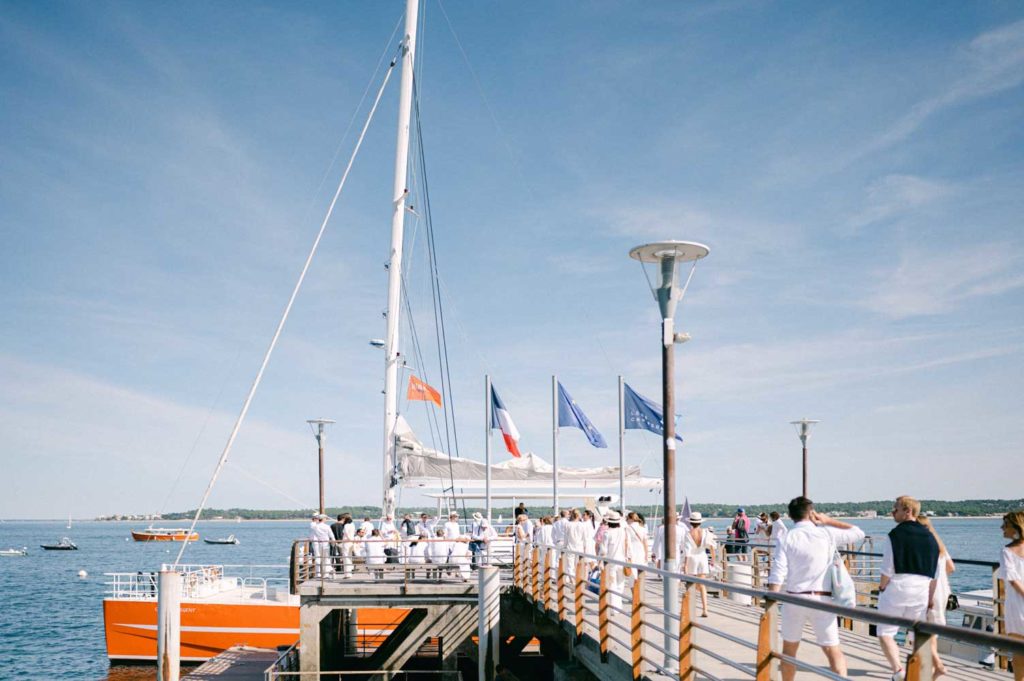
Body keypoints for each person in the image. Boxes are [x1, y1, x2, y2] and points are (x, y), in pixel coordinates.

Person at [768, 496, 865, 681]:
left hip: (794, 599)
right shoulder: (827, 533)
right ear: (812, 513)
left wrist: (771, 600)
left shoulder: (787, 537)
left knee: (789, 651)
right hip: (822, 599)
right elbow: (858, 532)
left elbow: (778, 573)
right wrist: (827, 521)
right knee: (832, 650)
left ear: (790, 515)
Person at [876, 496, 940, 681]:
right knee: (917, 633)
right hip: (921, 589)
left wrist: (882, 587)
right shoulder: (931, 537)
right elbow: (934, 574)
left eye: (895, 509)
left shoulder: (894, 535)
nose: (892, 512)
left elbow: (887, 569)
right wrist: (930, 598)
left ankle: (898, 671)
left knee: (885, 632)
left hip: (897, 587)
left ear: (907, 511)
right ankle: (921, 673)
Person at [917, 515, 955, 678]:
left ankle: (937, 664)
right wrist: (942, 580)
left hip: (929, 591)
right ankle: (929, 665)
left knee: (923, 630)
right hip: (942, 590)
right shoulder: (939, 545)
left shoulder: (924, 545)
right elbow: (951, 567)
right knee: (932, 630)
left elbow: (929, 573)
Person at [1000, 510, 1024, 681]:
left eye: (1005, 525)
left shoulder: (1007, 552)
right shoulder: (1007, 551)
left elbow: (1013, 579)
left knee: (1018, 650)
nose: (1002, 528)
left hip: (1017, 604)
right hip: (1017, 604)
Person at [681, 512, 716, 617]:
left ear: (691, 522)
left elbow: (687, 551)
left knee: (690, 585)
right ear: (700, 522)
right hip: (702, 557)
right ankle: (705, 609)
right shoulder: (705, 532)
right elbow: (711, 546)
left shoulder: (688, 534)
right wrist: (713, 559)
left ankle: (689, 608)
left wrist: (685, 565)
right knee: (702, 585)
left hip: (692, 558)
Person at [599, 510, 630, 610]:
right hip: (622, 561)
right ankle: (618, 605)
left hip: (610, 562)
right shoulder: (623, 532)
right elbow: (628, 546)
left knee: (612, 584)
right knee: (620, 584)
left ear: (609, 522)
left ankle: (614, 607)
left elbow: (603, 550)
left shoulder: (607, 533)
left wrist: (600, 561)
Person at [564, 509, 588, 582]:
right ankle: (579, 581)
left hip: (570, 547)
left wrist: (564, 546)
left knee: (570, 566)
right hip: (579, 547)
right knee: (579, 565)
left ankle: (573, 581)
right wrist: (585, 548)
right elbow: (585, 538)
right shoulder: (582, 525)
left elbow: (566, 537)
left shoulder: (568, 524)